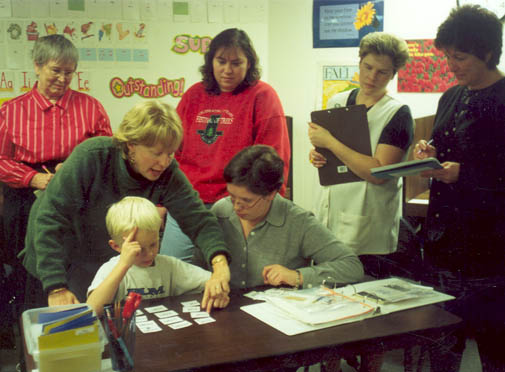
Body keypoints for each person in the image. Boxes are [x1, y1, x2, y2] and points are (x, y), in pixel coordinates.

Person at [19, 100, 231, 313]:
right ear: (131, 144)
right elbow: (51, 219)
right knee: (66, 325)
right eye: (156, 153)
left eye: (170, 153)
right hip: (58, 251)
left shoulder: (167, 172)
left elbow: (198, 219)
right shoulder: (92, 156)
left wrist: (219, 265)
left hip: (105, 252)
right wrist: (56, 287)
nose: (164, 162)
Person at [414, 5, 505, 372]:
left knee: (494, 351)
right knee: (442, 346)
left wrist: (463, 174)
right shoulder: (450, 96)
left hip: (491, 251)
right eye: (448, 55)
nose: (452, 64)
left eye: (460, 56)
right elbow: (445, 149)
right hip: (443, 245)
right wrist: (428, 154)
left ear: (486, 52)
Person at [0, 34, 111, 314]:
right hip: (26, 194)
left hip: (77, 193)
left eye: (69, 73)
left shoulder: (91, 107)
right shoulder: (10, 111)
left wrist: (75, 169)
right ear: (37, 66)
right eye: (56, 70)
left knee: (76, 264)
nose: (62, 79)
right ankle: (30, 336)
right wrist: (32, 178)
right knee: (31, 270)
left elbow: (106, 152)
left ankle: (79, 325)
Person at [160, 28, 291, 262]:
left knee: (230, 275)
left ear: (249, 64)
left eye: (236, 63)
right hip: (187, 200)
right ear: (210, 61)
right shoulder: (194, 95)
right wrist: (161, 200)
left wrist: (270, 206)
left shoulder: (263, 96)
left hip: (235, 203)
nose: (227, 70)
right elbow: (171, 152)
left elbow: (274, 158)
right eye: (221, 61)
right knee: (172, 271)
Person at [308, 32, 414, 277]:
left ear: (393, 74)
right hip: (330, 214)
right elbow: (329, 155)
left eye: (382, 72)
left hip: (368, 227)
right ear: (359, 62)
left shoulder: (397, 114)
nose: (371, 77)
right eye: (367, 67)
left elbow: (379, 173)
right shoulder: (337, 101)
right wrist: (318, 156)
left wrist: (330, 143)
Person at [194, 145, 363, 290]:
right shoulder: (221, 210)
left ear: (271, 194)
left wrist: (297, 276)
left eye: (247, 200)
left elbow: (351, 266)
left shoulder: (298, 221)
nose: (236, 206)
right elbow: (196, 268)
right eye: (232, 196)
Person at [87, 197, 216, 316]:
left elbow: (212, 281)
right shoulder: (111, 269)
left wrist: (218, 288)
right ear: (116, 246)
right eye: (139, 249)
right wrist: (123, 265)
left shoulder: (169, 265)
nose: (149, 254)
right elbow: (92, 310)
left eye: (153, 244)